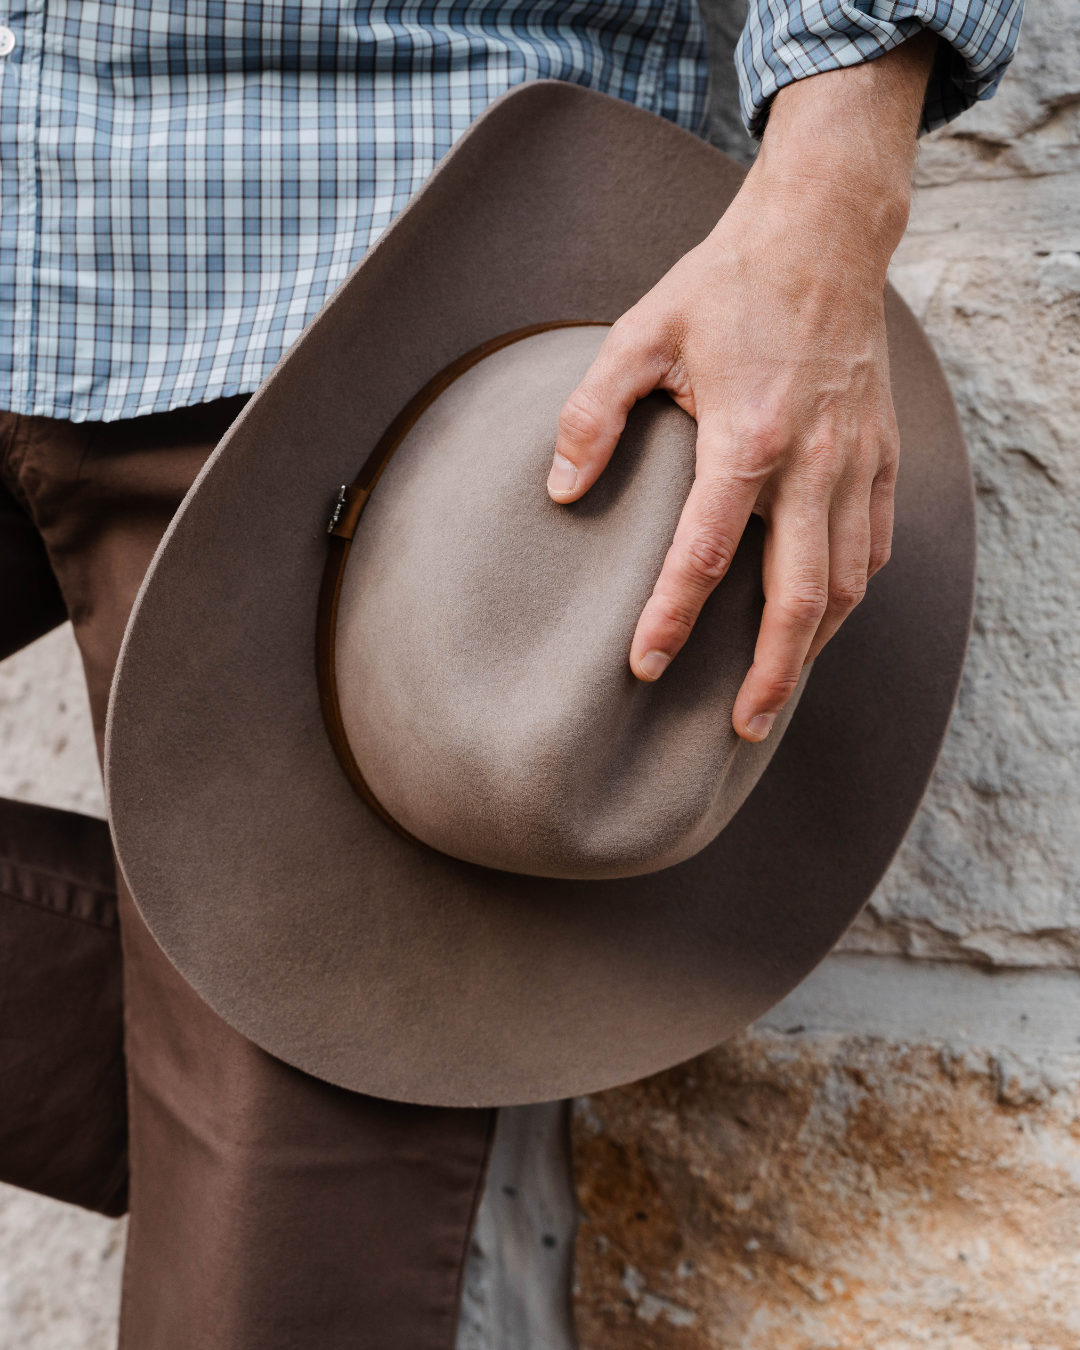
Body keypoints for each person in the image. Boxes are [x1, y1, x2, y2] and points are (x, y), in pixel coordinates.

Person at [0, 0, 1022, 1344]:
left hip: (359, 295)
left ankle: (329, 1099)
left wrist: (829, 206)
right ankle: (322, 1090)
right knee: (271, 1108)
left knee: (265, 1303)